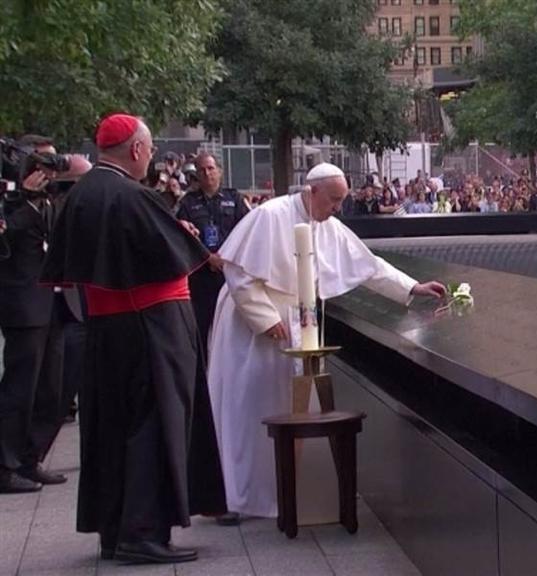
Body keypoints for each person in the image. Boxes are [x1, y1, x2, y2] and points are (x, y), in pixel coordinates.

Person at [206, 163, 446, 519]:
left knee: (286, 407)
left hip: (294, 323)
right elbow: (239, 272)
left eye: (341, 202)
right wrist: (267, 319)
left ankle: (279, 493)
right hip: (253, 329)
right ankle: (238, 497)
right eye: (333, 200)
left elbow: (368, 265)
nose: (337, 208)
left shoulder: (326, 225)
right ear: (313, 191)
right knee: (248, 409)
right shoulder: (270, 216)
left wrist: (411, 286)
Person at [41, 114, 208, 563]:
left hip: (105, 328)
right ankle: (144, 531)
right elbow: (174, 259)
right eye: (150, 149)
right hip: (150, 327)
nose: (151, 157)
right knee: (153, 426)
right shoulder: (133, 195)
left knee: (111, 427)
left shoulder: (81, 195)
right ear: (135, 149)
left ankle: (115, 530)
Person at [0, 136, 89, 494]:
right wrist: (22, 197)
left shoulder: (53, 199)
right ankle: (4, 465)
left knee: (55, 388)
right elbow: (7, 240)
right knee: (20, 388)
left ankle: (29, 457)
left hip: (59, 303)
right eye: (43, 162)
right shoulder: (11, 199)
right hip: (25, 305)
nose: (50, 169)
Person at [174, 152, 248, 524]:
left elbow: (249, 232)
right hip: (203, 283)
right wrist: (208, 257)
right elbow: (181, 237)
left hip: (232, 282)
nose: (208, 174)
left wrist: (229, 259)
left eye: (212, 168)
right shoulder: (187, 204)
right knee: (204, 340)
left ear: (220, 171)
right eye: (202, 170)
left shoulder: (235, 199)